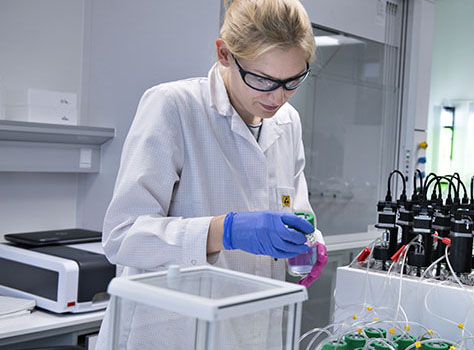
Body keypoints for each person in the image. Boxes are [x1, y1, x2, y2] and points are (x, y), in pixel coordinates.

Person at [94, 0, 327, 348]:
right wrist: (225, 231)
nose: (278, 97)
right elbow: (123, 236)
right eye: (262, 79)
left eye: (293, 80)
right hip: (171, 330)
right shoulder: (174, 106)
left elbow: (295, 208)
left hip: (253, 327)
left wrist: (308, 242)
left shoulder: (287, 121)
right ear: (224, 54)